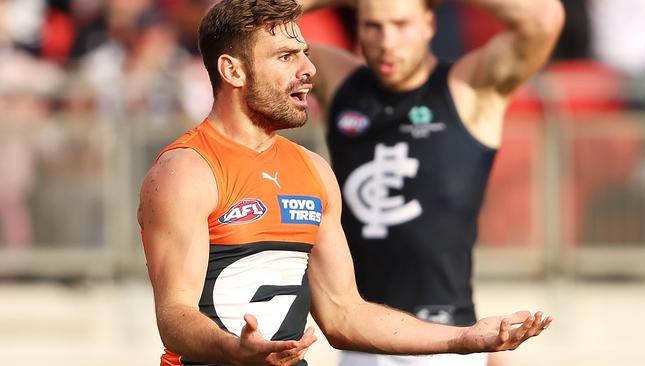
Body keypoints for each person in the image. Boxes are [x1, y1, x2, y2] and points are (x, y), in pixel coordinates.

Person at [137, 1, 554, 365]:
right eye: (286, 57)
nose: (309, 69)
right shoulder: (185, 171)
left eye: (304, 53)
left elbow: (343, 313)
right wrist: (235, 351)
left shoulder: (313, 172)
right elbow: (174, 317)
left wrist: (464, 339)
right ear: (232, 70)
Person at [299, 0, 565, 365]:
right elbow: (248, 21)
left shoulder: (467, 88)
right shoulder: (340, 82)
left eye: (401, 24)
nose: (387, 41)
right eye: (373, 26)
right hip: (361, 340)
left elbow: (543, 18)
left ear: (429, 23)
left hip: (449, 341)